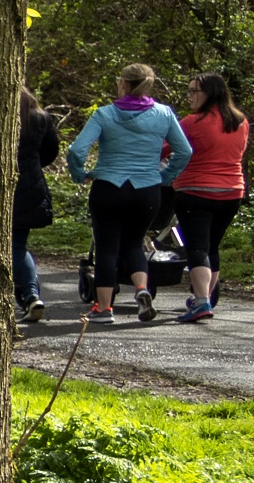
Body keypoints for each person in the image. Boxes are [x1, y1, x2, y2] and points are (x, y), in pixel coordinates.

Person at [68, 63, 192, 321]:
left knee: (106, 248)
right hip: (146, 191)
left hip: (108, 188)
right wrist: (165, 177)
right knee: (134, 244)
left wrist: (80, 174)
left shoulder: (104, 115)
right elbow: (185, 151)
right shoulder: (164, 114)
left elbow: (76, 151)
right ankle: (141, 290)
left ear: (123, 83)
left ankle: (103, 309)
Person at [174, 71, 249, 323]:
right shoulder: (240, 121)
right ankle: (202, 297)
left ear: (210, 93)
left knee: (196, 247)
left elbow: (165, 149)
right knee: (212, 246)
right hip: (231, 192)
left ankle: (202, 301)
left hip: (195, 191)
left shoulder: (192, 122)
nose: (189, 96)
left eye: (194, 91)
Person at [16, 85, 59, 324]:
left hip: (6, 186)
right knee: (18, 244)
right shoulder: (39, 117)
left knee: (14, 247)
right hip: (32, 186)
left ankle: (31, 295)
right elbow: (51, 151)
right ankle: (27, 297)